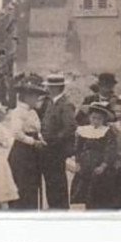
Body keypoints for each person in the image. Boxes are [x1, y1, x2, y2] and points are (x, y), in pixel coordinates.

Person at [6, 75, 48, 209]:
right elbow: (16, 133)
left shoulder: (33, 112)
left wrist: (40, 139)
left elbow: (37, 129)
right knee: (22, 183)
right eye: (35, 96)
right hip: (22, 152)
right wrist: (33, 142)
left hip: (33, 153)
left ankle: (31, 210)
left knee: (32, 184)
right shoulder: (18, 112)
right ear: (26, 96)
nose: (37, 99)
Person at [38, 73, 77, 209]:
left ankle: (60, 207)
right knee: (50, 178)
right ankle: (54, 205)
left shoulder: (66, 104)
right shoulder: (51, 102)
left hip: (56, 149)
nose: (47, 89)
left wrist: (54, 140)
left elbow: (70, 127)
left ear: (56, 88)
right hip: (48, 148)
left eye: (49, 87)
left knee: (57, 179)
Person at [70, 101, 117, 209]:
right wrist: (77, 162)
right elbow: (77, 148)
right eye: (93, 118)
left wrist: (103, 165)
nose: (95, 121)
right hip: (84, 165)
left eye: (99, 119)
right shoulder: (83, 130)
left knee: (96, 192)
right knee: (80, 191)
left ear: (104, 119)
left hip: (98, 165)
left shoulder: (107, 132)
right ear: (89, 117)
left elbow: (110, 149)